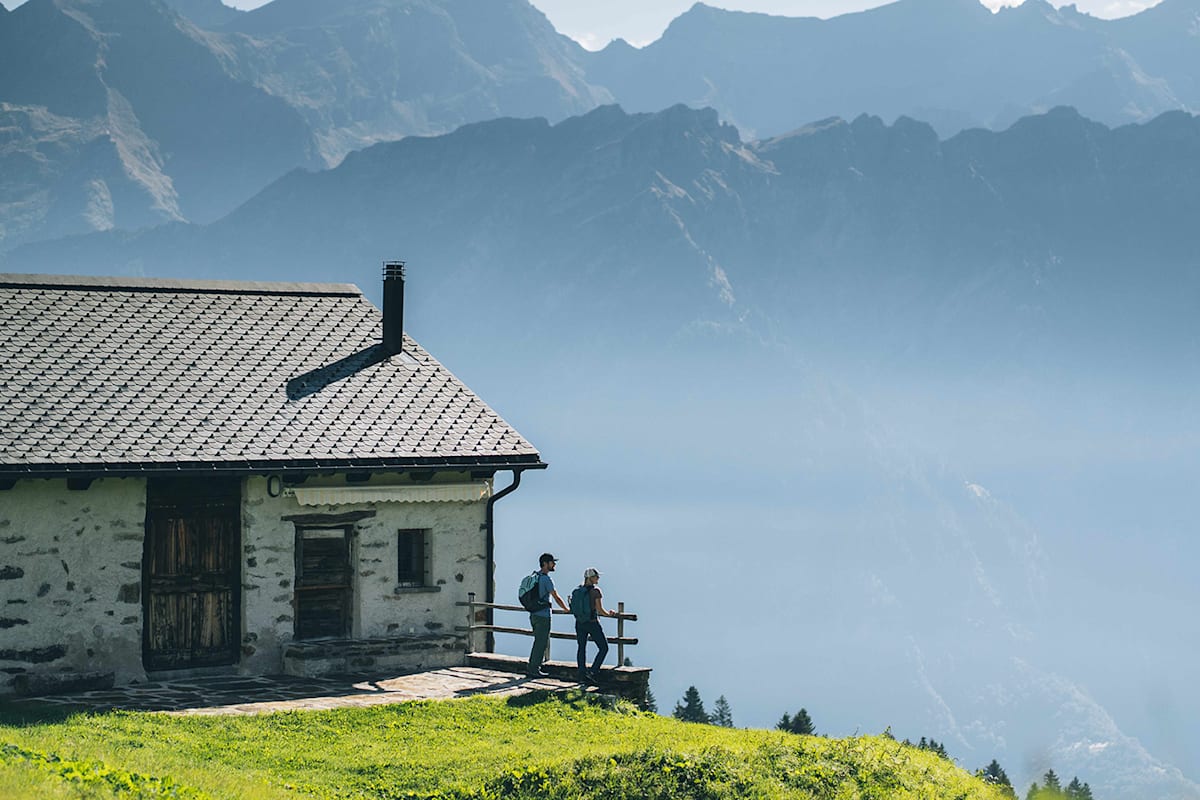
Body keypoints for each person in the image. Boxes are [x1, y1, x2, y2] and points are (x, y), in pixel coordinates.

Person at [572, 567, 616, 685]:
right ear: (590, 578)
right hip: (592, 623)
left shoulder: (578, 591)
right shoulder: (595, 591)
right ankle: (592, 672)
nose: (598, 578)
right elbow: (600, 610)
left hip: (579, 623)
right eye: (596, 577)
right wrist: (610, 614)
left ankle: (582, 674)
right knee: (604, 647)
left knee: (581, 648)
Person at [527, 552, 568, 677]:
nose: (554, 564)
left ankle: (532, 667)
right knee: (541, 642)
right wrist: (566, 608)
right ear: (545, 564)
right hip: (543, 615)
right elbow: (555, 596)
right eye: (552, 562)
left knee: (538, 641)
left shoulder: (535, 577)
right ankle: (534, 669)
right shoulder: (546, 579)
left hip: (533, 613)